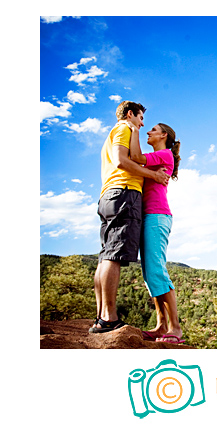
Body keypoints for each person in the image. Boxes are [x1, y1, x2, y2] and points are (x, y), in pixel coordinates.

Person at [89, 101, 170, 334]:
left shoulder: (114, 133)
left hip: (109, 195)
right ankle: (109, 318)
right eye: (141, 118)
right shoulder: (124, 128)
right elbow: (122, 161)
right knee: (114, 255)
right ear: (130, 114)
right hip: (124, 193)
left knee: (105, 255)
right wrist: (153, 175)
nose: (142, 124)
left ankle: (101, 316)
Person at [127, 120, 185, 344]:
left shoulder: (165, 155)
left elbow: (136, 158)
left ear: (163, 136)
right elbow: (137, 162)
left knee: (157, 271)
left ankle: (175, 328)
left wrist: (134, 129)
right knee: (149, 274)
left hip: (157, 216)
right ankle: (161, 326)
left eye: (153, 130)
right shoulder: (159, 157)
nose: (148, 132)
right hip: (148, 216)